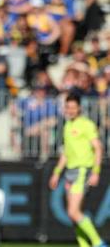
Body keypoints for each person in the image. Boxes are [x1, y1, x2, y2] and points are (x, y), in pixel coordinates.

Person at [49, 94, 106, 247]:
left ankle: (98, 242)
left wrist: (95, 171)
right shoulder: (67, 126)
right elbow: (66, 154)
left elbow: (98, 148)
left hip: (82, 170)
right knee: (72, 214)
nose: (71, 110)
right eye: (68, 107)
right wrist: (56, 173)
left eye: (74, 107)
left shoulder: (86, 124)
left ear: (79, 107)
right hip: (69, 173)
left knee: (74, 212)